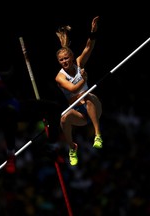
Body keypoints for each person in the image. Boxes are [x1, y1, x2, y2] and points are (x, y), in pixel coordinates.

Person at [55, 16, 103, 166]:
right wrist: (84, 79)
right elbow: (73, 89)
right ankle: (72, 147)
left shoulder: (78, 63)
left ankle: (97, 135)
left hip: (93, 108)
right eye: (61, 60)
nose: (64, 62)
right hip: (80, 115)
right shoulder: (59, 77)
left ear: (71, 56)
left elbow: (89, 47)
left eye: (66, 58)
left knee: (88, 96)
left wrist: (93, 32)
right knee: (63, 118)